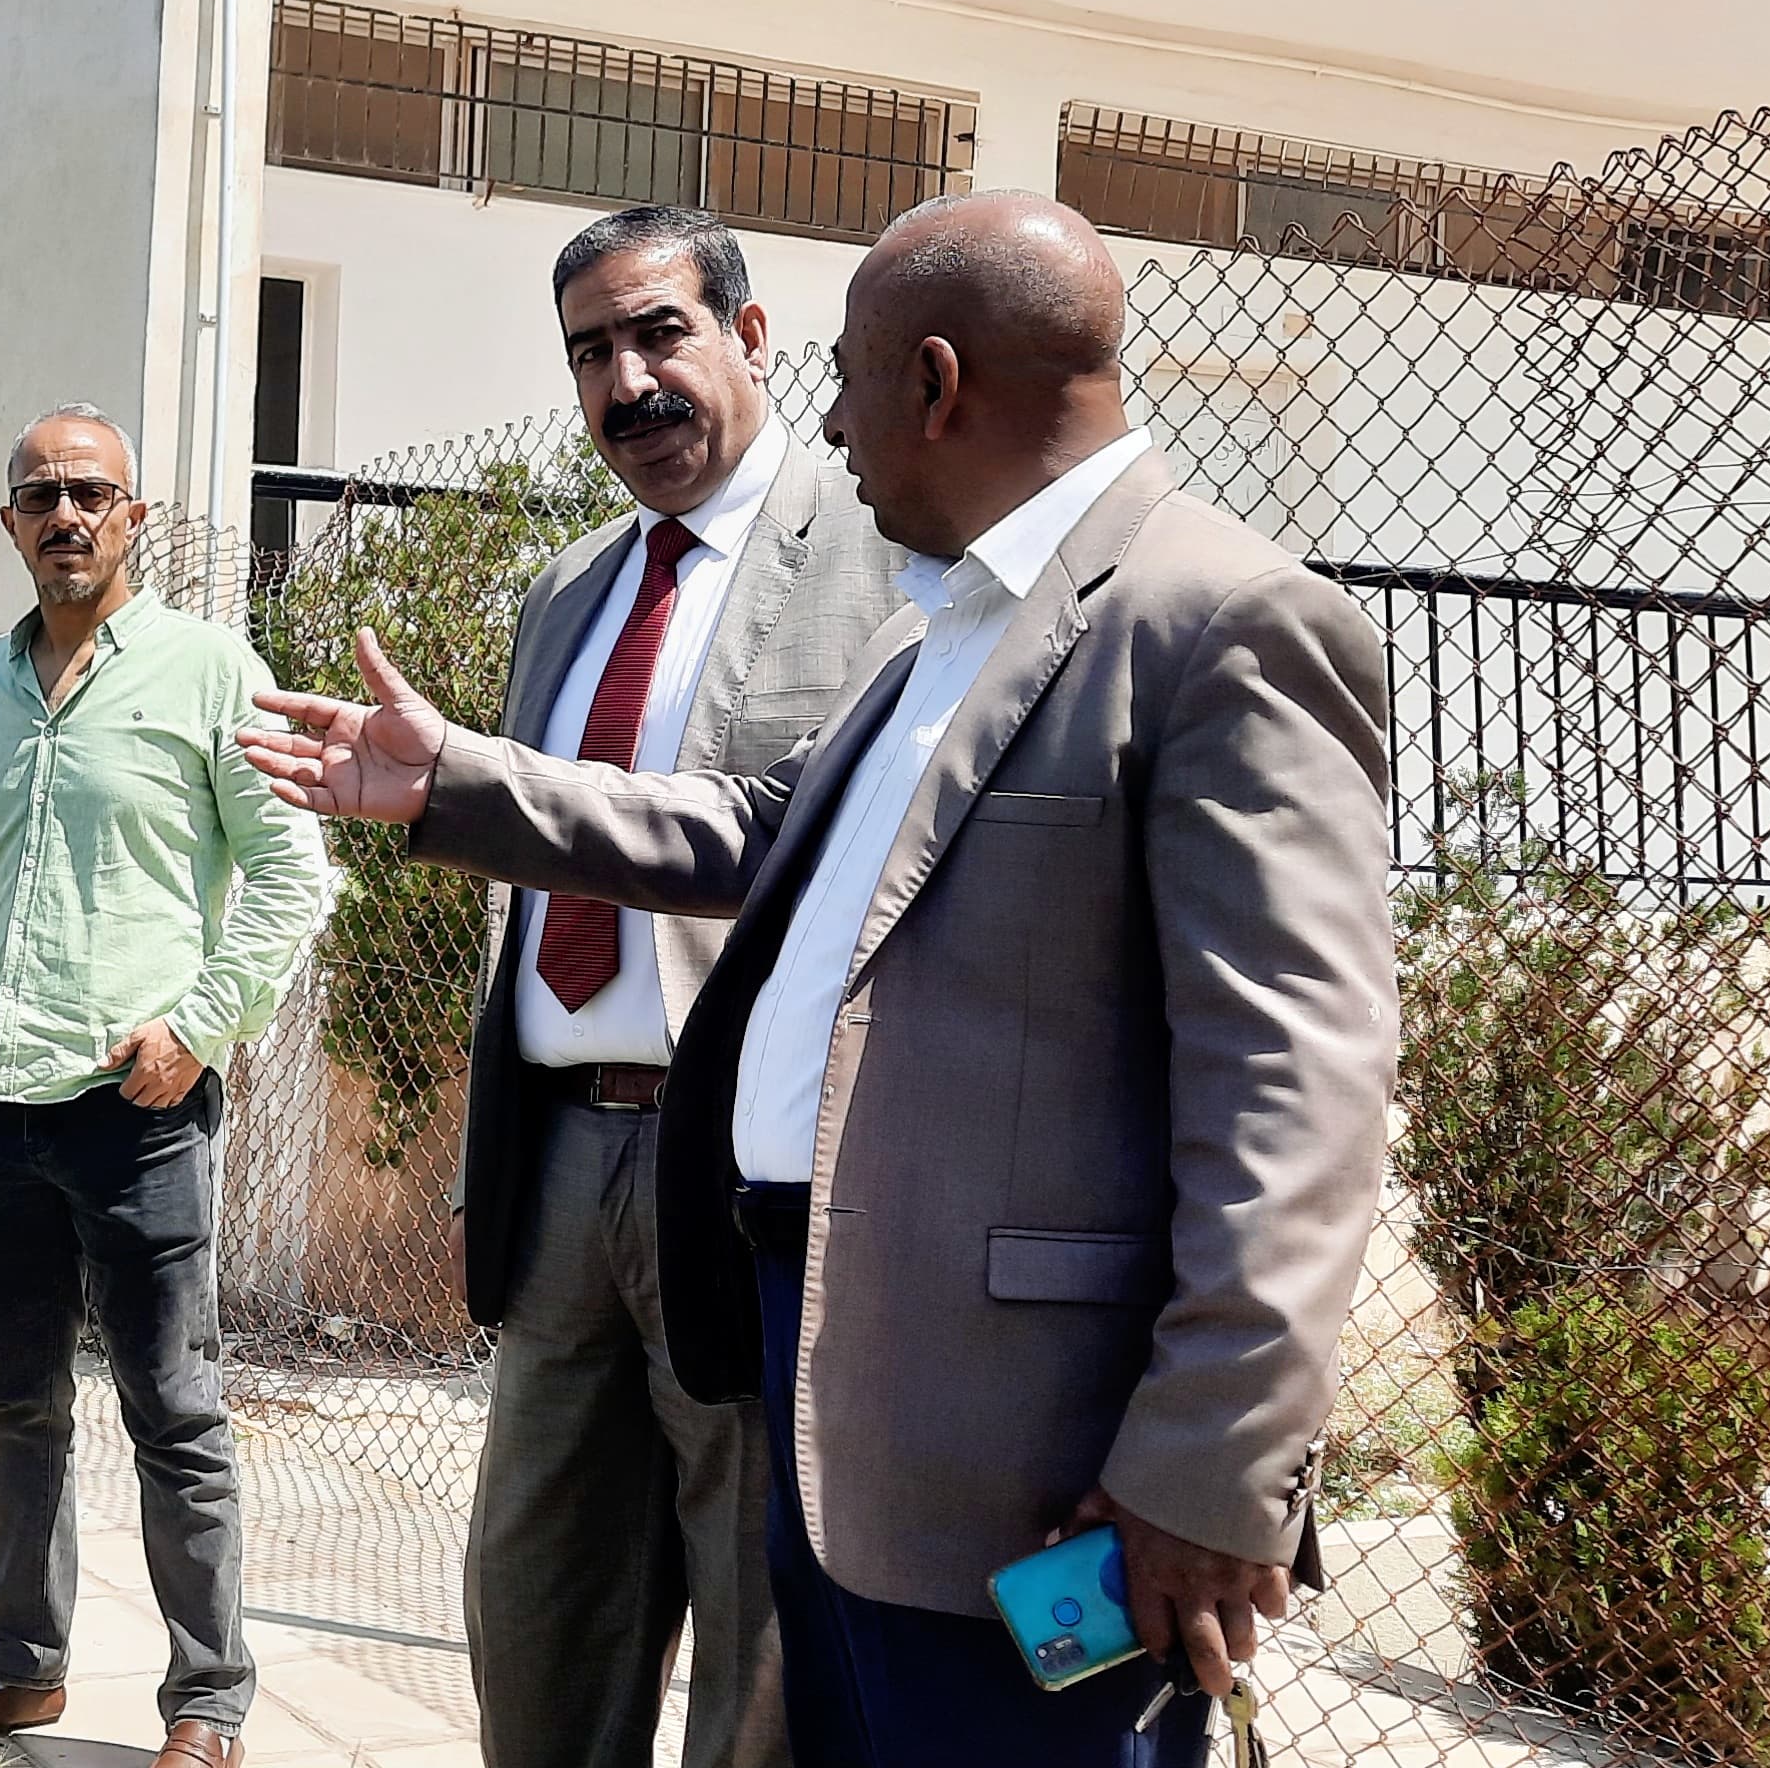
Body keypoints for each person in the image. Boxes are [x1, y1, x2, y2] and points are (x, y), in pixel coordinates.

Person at [235, 193, 1393, 1766]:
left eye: (845, 381)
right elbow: (753, 829)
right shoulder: (946, 629)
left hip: (1013, 1438)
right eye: (590, 351)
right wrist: (453, 780)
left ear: (932, 381)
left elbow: (1297, 1092)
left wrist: (1215, 1462)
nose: (832, 426)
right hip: (813, 1344)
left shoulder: (1219, 621)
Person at [452, 206, 895, 1768]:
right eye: (591, 354)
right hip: (560, 1164)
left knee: (753, 1649)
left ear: (751, 335)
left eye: (660, 334)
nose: (627, 382)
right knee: (537, 1617)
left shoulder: (881, 555)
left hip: (747, 1171)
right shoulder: (567, 590)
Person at [0, 403, 334, 1768]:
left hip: (138, 1115)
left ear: (133, 516)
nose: (67, 516)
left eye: (91, 493)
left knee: (174, 1414)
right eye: (41, 496)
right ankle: (20, 1664)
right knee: (17, 1405)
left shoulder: (209, 671)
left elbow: (291, 872)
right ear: (10, 523)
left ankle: (208, 1703)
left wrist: (199, 1027)